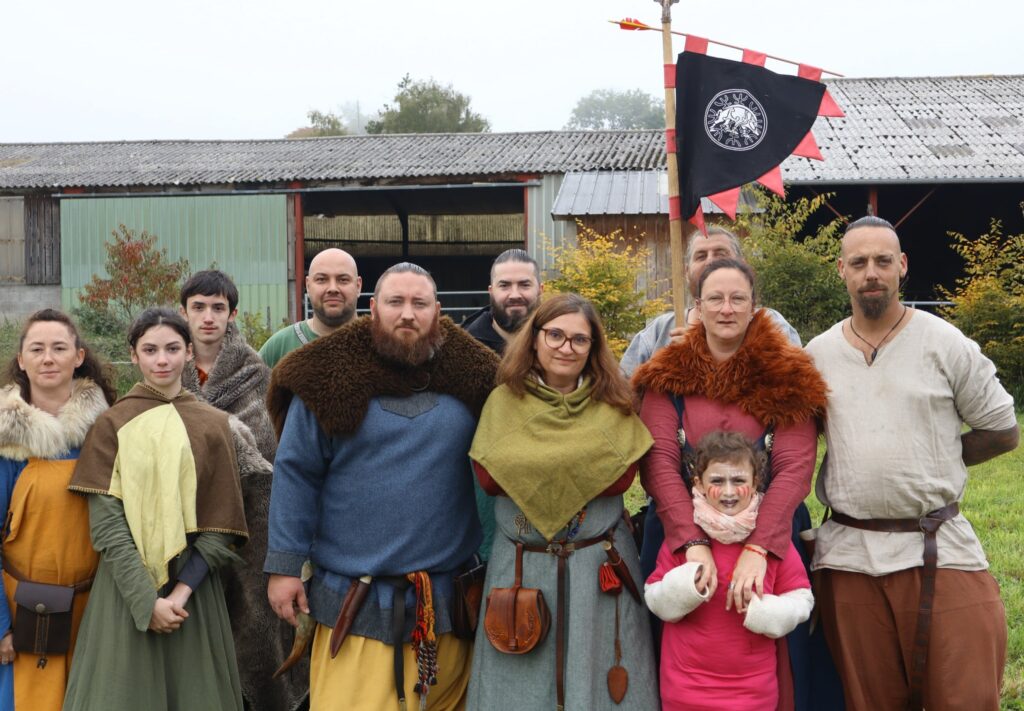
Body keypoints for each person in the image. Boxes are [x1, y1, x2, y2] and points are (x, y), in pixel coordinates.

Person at [804, 216, 1020, 711]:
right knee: (868, 701)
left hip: (937, 547)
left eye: (882, 261)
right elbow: (794, 440)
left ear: (902, 266)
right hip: (849, 555)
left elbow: (1003, 431)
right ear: (842, 270)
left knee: (964, 696)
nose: (871, 273)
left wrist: (937, 453)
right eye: (859, 263)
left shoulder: (945, 344)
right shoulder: (817, 355)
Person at [265, 262, 498, 711]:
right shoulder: (326, 380)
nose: (407, 314)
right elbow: (296, 473)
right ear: (373, 309)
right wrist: (284, 566)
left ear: (438, 312)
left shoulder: (476, 383)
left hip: (447, 612)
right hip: (356, 609)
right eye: (395, 302)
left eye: (419, 303)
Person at [632, 258, 830, 709]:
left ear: (755, 306)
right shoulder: (666, 376)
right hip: (677, 526)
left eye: (738, 298)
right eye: (715, 298)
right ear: (697, 307)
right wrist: (690, 542)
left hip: (773, 532)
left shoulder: (789, 376)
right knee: (677, 636)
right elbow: (660, 462)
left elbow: (795, 467)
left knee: (777, 656)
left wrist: (761, 549)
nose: (727, 308)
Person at [466, 293, 659, 711]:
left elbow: (621, 478)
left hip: (599, 567)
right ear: (534, 338)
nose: (565, 347)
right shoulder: (504, 401)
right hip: (522, 565)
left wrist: (533, 463)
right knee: (519, 686)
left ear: (593, 349)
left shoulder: (613, 403)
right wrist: (579, 463)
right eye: (555, 334)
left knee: (604, 678)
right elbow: (489, 478)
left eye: (579, 339)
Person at [63, 308, 254, 711]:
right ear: (133, 355)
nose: (162, 359)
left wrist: (179, 595)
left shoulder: (214, 424)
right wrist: (145, 601)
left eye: (171, 348)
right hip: (125, 591)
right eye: (150, 350)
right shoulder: (111, 424)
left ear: (189, 351)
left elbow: (222, 523)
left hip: (193, 598)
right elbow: (107, 524)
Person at [179, 270, 305, 711]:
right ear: (184, 312)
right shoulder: (167, 368)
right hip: (183, 527)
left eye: (218, 308)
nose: (208, 317)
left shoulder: (256, 374)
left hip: (253, 524)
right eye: (199, 307)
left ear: (232, 314)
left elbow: (273, 451)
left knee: (254, 627)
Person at [645, 431, 813, 711]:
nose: (728, 492)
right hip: (685, 687)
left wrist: (767, 612)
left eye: (738, 481)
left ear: (756, 482)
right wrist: (683, 588)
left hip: (753, 691)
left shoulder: (769, 542)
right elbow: (655, 596)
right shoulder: (686, 540)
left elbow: (801, 598)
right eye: (717, 481)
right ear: (698, 483)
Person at [0, 310, 116, 711]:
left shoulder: (107, 433)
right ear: (21, 361)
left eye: (59, 348)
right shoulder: (5, 441)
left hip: (97, 609)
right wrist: (1, 627)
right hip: (24, 614)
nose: (48, 358)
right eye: (37, 348)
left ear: (78, 357)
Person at [620, 226, 800, 377]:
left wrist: (709, 354)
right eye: (701, 256)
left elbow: (794, 385)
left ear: (741, 265)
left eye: (721, 253)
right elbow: (623, 395)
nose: (710, 262)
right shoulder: (659, 332)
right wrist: (667, 362)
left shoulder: (772, 323)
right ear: (686, 271)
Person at [259, 248, 362, 368]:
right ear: (308, 286)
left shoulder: (381, 344)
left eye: (343, 280)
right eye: (321, 280)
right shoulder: (279, 348)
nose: (332, 288)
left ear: (358, 286)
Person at [462, 248, 543, 355]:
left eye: (525, 285)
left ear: (540, 290)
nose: (515, 295)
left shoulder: (561, 346)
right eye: (504, 285)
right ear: (491, 292)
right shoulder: (462, 351)